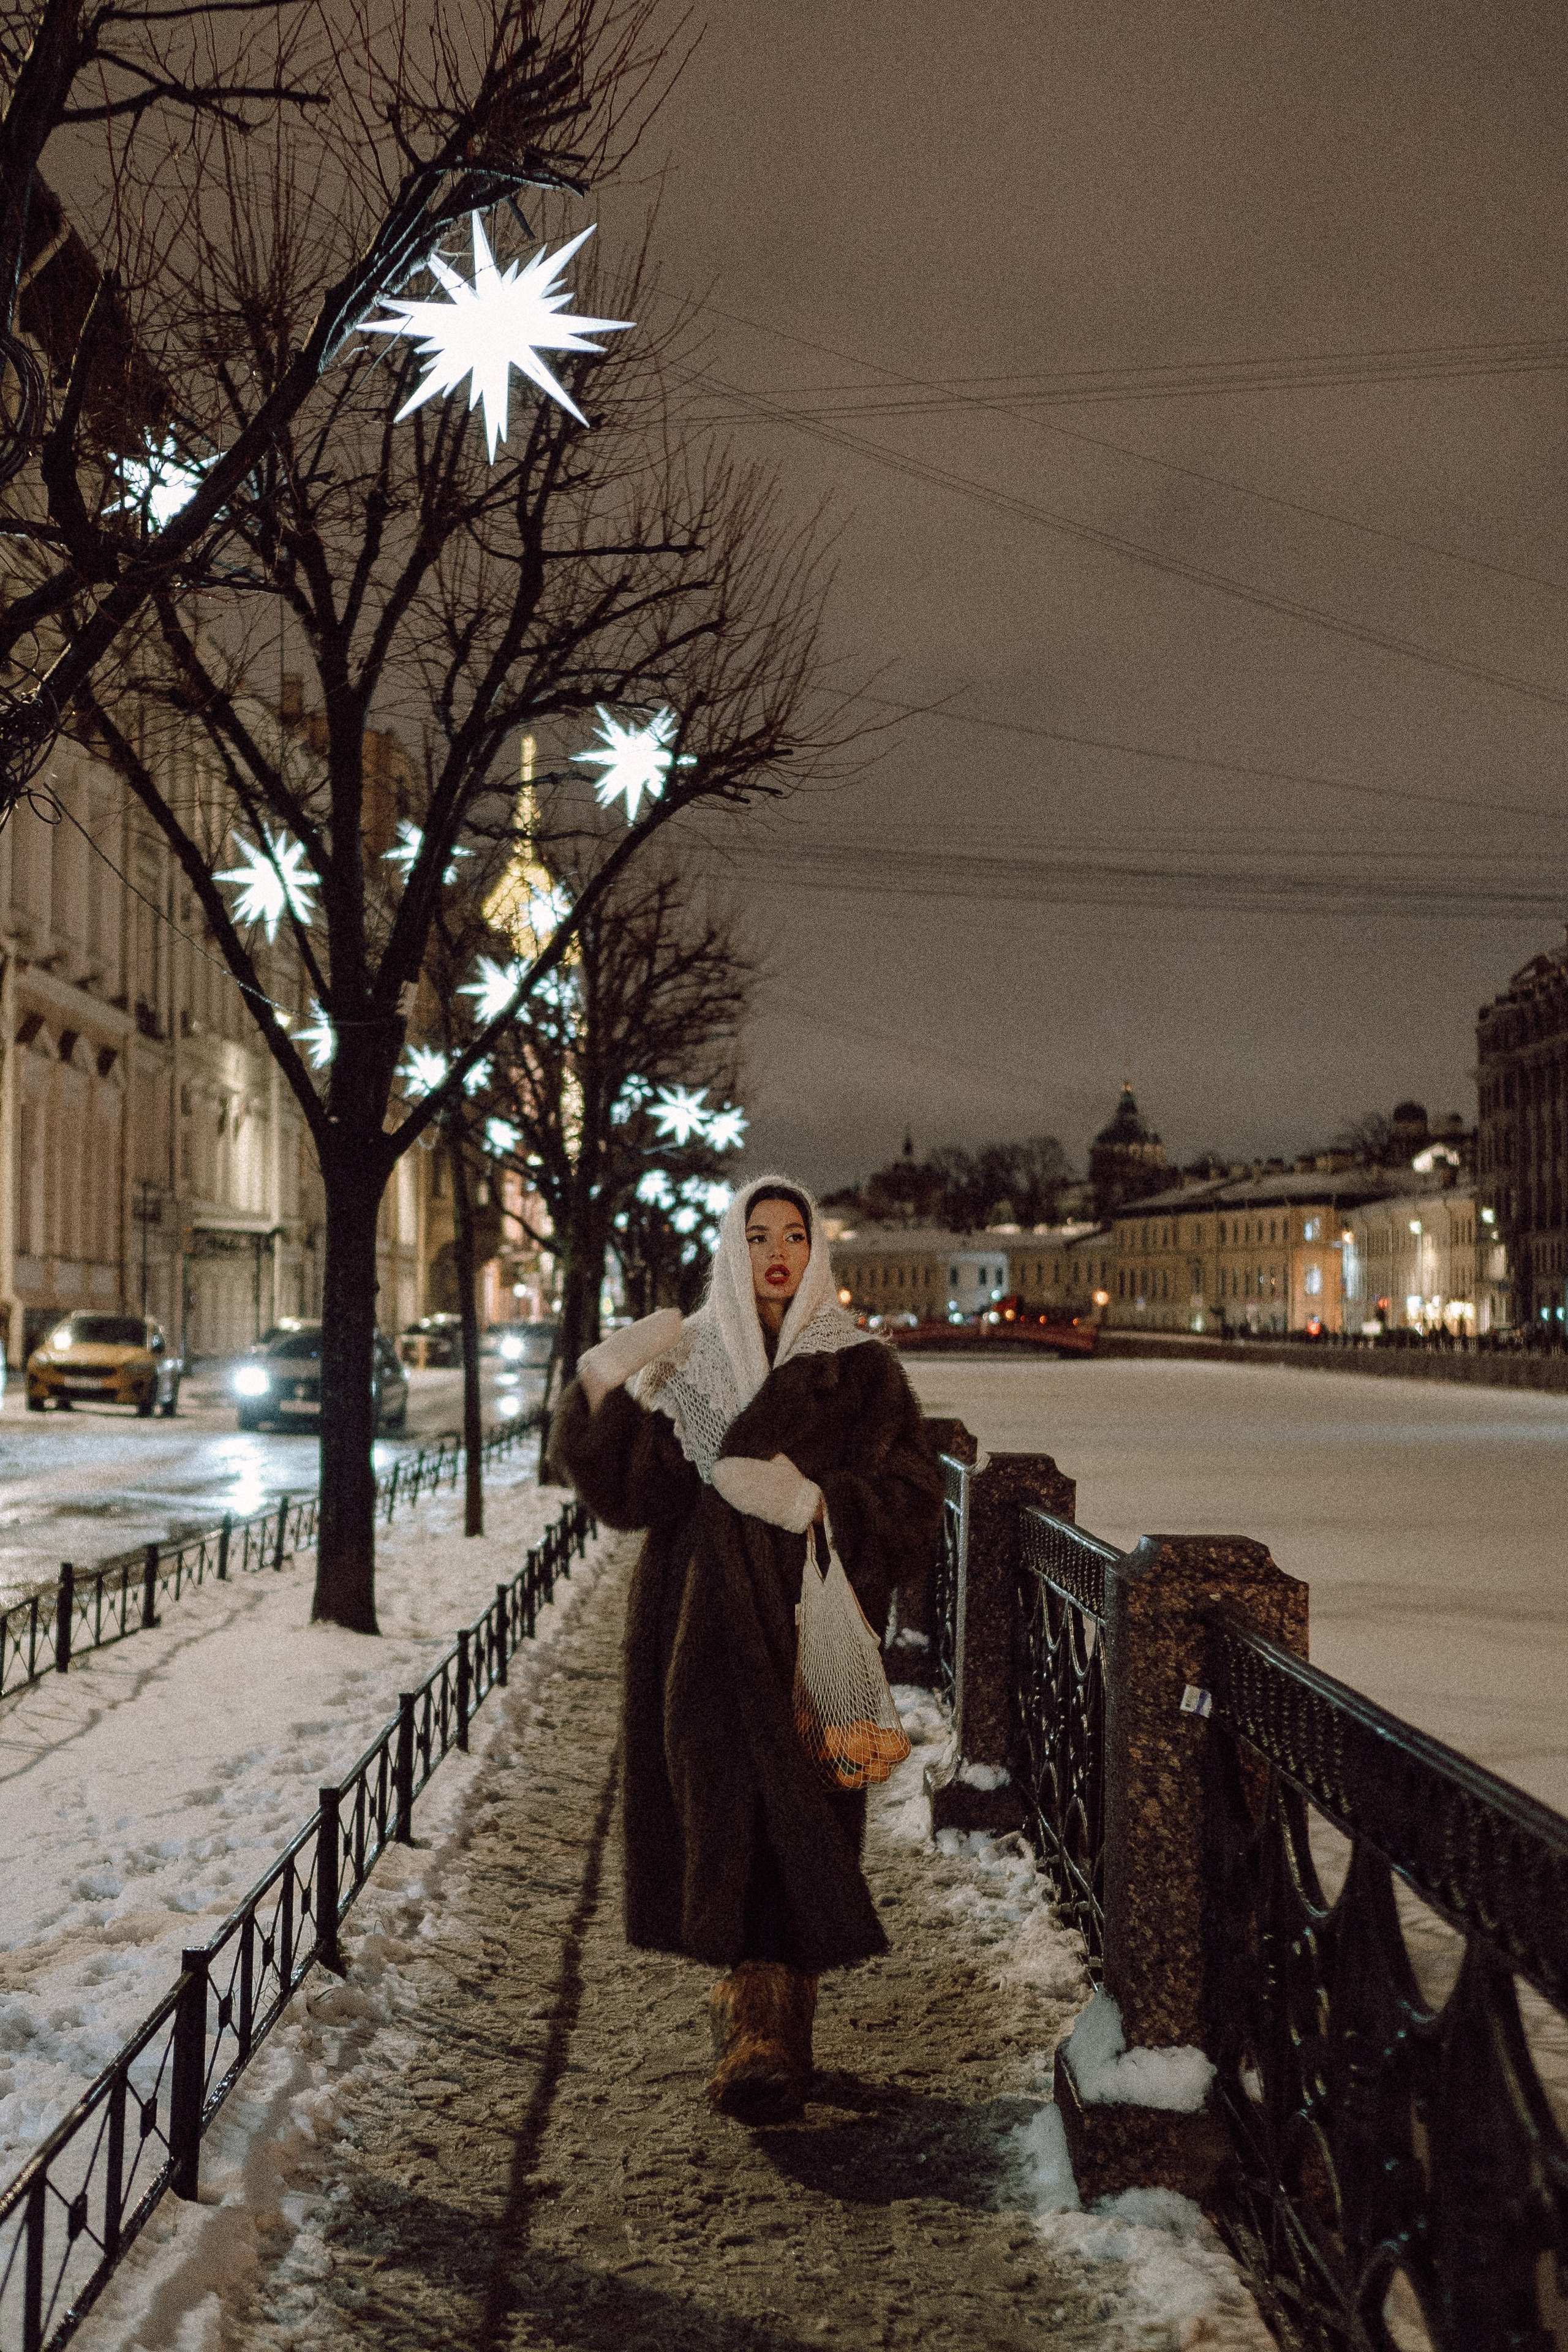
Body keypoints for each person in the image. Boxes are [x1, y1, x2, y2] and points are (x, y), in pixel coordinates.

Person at [549, 1175, 943, 2122]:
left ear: (817, 1253)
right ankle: (755, 2022)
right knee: (716, 1813)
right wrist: (601, 1383)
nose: (778, 1252)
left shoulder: (860, 1372)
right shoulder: (688, 1363)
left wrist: (819, 1505)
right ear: (733, 1246)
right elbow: (627, 1498)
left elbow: (915, 1506)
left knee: (800, 1818)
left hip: (809, 1621)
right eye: (758, 1234)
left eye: (795, 1235)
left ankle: (772, 2025)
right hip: (696, 1627)